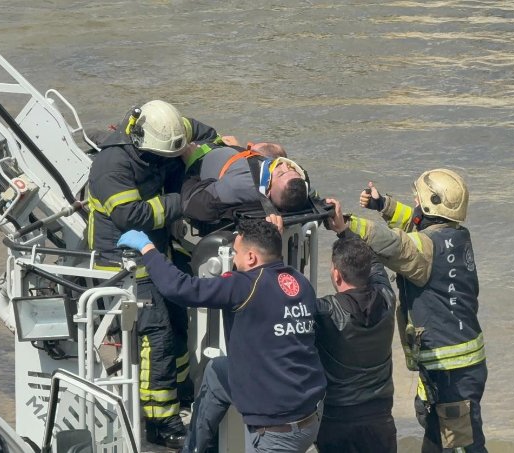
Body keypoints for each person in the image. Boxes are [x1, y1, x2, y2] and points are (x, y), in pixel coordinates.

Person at [117, 219, 326, 453]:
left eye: (236, 253)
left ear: (251, 258)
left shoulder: (244, 286)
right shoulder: (300, 282)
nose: (233, 260)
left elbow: (180, 288)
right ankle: (194, 448)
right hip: (309, 410)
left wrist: (148, 249)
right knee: (218, 371)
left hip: (276, 432)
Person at [87, 99, 222, 449]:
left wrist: (210, 157)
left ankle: (180, 394)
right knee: (157, 336)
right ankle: (161, 421)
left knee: (178, 323)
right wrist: (185, 200)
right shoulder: (111, 164)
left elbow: (208, 135)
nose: (166, 160)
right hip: (122, 265)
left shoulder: (169, 129)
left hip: (157, 254)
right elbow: (131, 216)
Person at [328, 169, 487, 453]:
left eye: (418, 197)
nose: (413, 200)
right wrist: (383, 205)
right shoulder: (457, 235)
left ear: (429, 204)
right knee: (440, 433)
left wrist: (345, 225)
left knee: (462, 446)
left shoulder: (422, 251)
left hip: (450, 369)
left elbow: (392, 243)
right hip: (455, 366)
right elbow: (415, 225)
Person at [314, 203, 398, 452]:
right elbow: (372, 261)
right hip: (381, 418)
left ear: (336, 275)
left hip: (338, 420)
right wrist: (343, 230)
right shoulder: (387, 297)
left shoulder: (324, 312)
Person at [179, 142, 310, 228]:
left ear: (268, 191)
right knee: (276, 150)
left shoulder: (239, 186)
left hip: (200, 160)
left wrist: (192, 161)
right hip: (231, 152)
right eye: (292, 169)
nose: (284, 165)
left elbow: (190, 203)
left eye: (280, 173)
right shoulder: (295, 188)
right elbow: (307, 191)